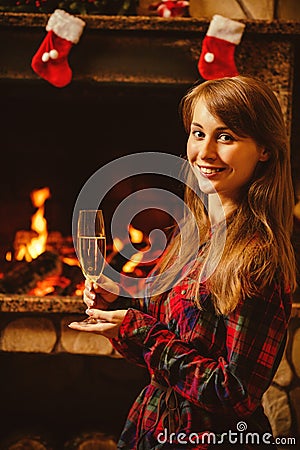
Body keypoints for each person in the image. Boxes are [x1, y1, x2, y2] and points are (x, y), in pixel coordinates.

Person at [69, 76, 296, 449]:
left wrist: (140, 330)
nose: (204, 153)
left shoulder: (256, 258)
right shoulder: (192, 234)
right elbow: (166, 355)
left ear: (264, 150)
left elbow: (235, 393)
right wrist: (119, 316)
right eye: (197, 133)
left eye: (226, 137)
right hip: (155, 427)